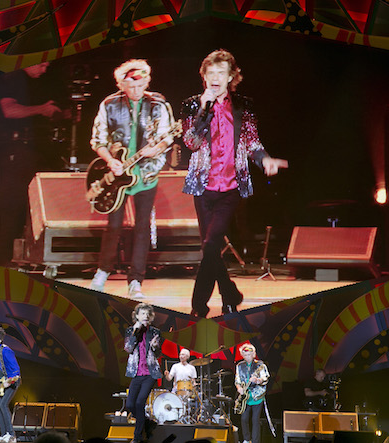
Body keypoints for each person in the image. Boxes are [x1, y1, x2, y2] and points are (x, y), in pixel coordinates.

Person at [181, 49, 288, 317]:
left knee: (210, 244)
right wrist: (204, 110)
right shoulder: (193, 105)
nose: (215, 77)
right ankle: (230, 295)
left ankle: (198, 308)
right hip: (202, 186)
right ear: (204, 77)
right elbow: (191, 142)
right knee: (211, 248)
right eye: (211, 73)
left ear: (231, 77)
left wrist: (264, 159)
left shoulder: (243, 105)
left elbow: (252, 141)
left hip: (230, 186)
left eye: (221, 73)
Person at [88, 59, 176, 298]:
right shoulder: (109, 104)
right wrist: (110, 160)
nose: (136, 91)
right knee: (113, 226)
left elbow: (167, 137)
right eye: (130, 86)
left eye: (140, 85)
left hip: (146, 174)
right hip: (118, 174)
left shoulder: (159, 104)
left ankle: (136, 280)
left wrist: (156, 149)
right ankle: (102, 273)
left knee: (142, 227)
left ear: (147, 81)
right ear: (121, 85)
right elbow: (98, 139)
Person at [0, 62, 69, 265]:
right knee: (11, 205)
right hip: (16, 150)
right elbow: (9, 110)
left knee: (35, 207)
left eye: (48, 66)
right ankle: (1, 258)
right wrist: (42, 109)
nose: (44, 70)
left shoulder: (37, 82)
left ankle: (31, 255)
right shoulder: (13, 77)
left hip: (35, 151)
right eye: (42, 65)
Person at [124, 303, 162, 443]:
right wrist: (135, 333)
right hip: (136, 372)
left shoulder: (155, 332)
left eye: (148, 314)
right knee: (130, 405)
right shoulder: (130, 331)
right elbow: (128, 349)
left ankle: (137, 437)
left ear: (151, 317)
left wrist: (155, 347)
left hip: (150, 373)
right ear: (137, 316)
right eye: (143, 314)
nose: (145, 316)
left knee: (140, 403)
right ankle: (147, 423)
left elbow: (158, 353)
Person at [0, 326, 21, 443]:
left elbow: (16, 371)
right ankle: (3, 435)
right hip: (3, 381)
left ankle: (11, 435)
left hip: (13, 380)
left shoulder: (6, 351)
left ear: (0, 339)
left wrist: (9, 381)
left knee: (3, 405)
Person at [235, 343, 270, 443]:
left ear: (254, 354)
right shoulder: (239, 366)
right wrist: (239, 388)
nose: (248, 357)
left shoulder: (260, 365)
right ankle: (246, 439)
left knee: (255, 420)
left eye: (250, 354)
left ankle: (255, 441)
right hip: (245, 396)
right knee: (244, 419)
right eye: (245, 355)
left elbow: (265, 377)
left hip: (257, 396)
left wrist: (257, 380)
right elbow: (237, 380)